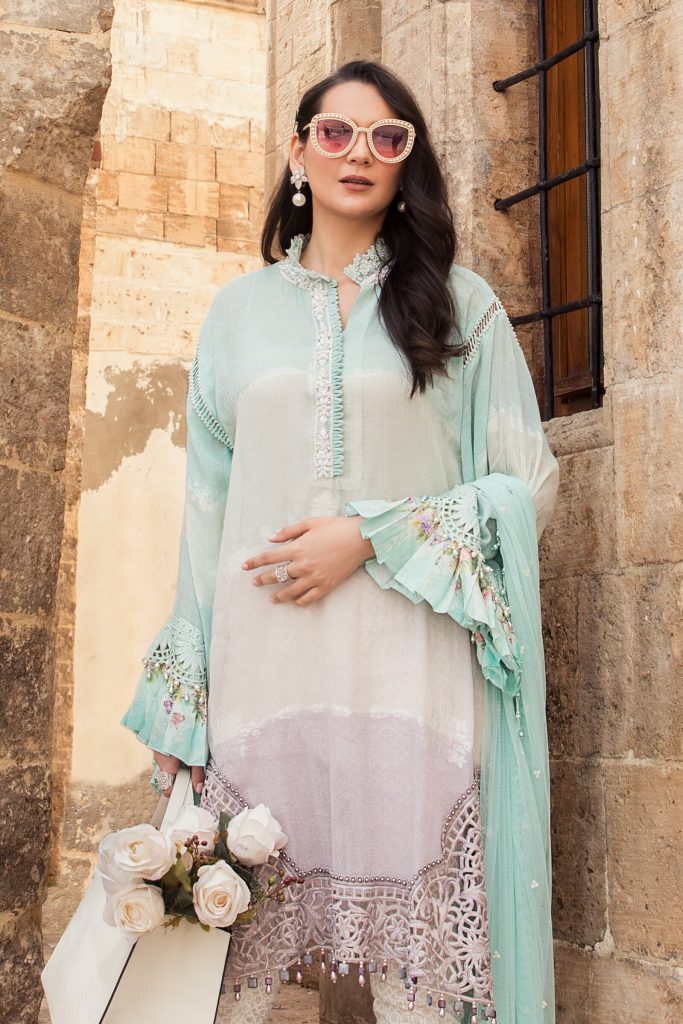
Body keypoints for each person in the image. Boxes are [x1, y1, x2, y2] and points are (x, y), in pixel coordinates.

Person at [121, 59, 559, 1024]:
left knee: (410, 990)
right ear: (297, 152)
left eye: (386, 137)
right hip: (263, 674)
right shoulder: (237, 315)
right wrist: (184, 702)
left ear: (407, 164)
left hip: (410, 676)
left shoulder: (459, 305)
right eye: (335, 132)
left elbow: (525, 483)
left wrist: (368, 536)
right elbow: (205, 516)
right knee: (228, 974)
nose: (358, 153)